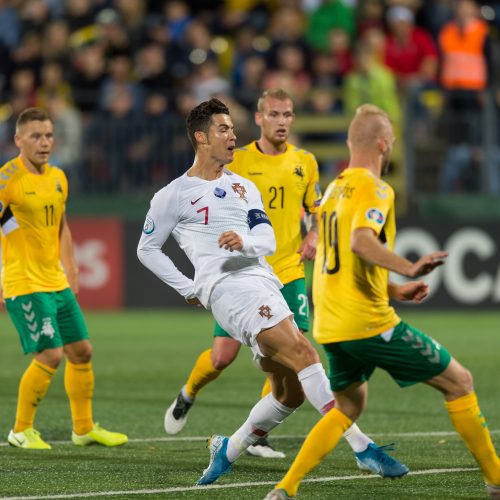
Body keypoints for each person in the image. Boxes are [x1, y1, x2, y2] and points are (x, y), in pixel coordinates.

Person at [137, 98, 408, 485]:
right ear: (200, 137)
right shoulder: (173, 194)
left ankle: (227, 449)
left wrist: (245, 241)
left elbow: (266, 236)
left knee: (290, 391)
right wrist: (188, 287)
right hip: (228, 288)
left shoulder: (243, 186)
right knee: (304, 352)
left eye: (232, 128)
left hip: (264, 281)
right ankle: (362, 446)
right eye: (223, 129)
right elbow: (146, 249)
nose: (232, 136)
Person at [264, 104, 500, 500]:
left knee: (346, 408)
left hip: (332, 326)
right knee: (460, 383)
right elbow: (360, 241)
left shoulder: (335, 189)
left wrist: (392, 289)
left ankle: (284, 488)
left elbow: (332, 260)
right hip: (368, 324)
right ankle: (496, 480)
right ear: (383, 144)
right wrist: (408, 268)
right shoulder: (377, 188)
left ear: (347, 143)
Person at [0, 107, 128, 450]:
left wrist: (70, 267)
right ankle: (20, 430)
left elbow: (61, 225)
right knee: (50, 354)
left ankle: (83, 429)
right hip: (23, 283)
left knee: (82, 351)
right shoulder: (6, 180)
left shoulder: (58, 177)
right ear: (18, 140)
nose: (44, 143)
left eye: (48, 136)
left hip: (55, 280)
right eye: (35, 136)